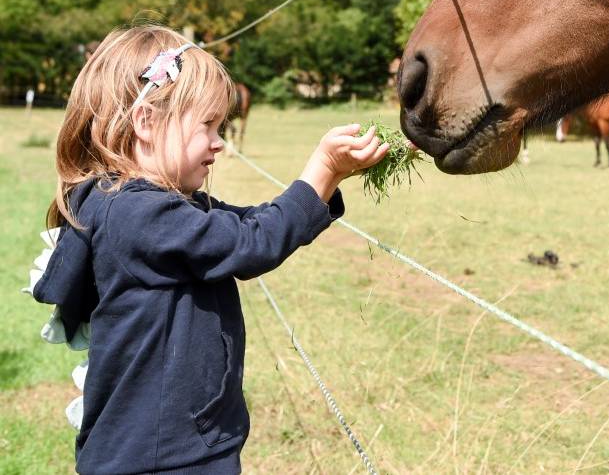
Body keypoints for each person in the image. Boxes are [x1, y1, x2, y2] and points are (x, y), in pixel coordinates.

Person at [26, 25, 389, 475]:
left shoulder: (150, 204)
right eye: (208, 125)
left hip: (163, 447)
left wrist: (327, 184)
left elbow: (250, 224)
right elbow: (251, 243)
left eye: (222, 127)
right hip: (164, 457)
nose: (219, 142)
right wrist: (323, 169)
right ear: (146, 122)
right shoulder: (138, 214)